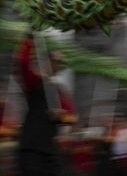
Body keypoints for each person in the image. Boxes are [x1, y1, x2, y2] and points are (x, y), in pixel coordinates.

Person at [15, 34, 77, 176]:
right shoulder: (35, 81)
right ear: (46, 60)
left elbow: (72, 117)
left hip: (50, 148)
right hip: (32, 146)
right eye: (55, 60)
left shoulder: (59, 90)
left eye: (59, 62)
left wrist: (62, 115)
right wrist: (28, 41)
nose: (57, 64)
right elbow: (22, 63)